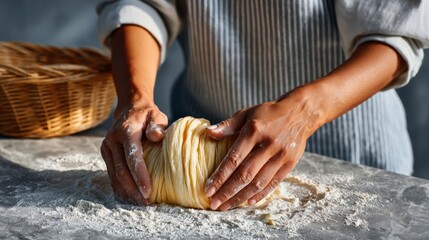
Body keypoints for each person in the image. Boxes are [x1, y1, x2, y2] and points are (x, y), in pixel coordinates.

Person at [97, 0, 429, 211]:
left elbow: (394, 32)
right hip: (202, 147)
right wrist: (135, 98)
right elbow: (141, 5)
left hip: (351, 154)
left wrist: (305, 112)